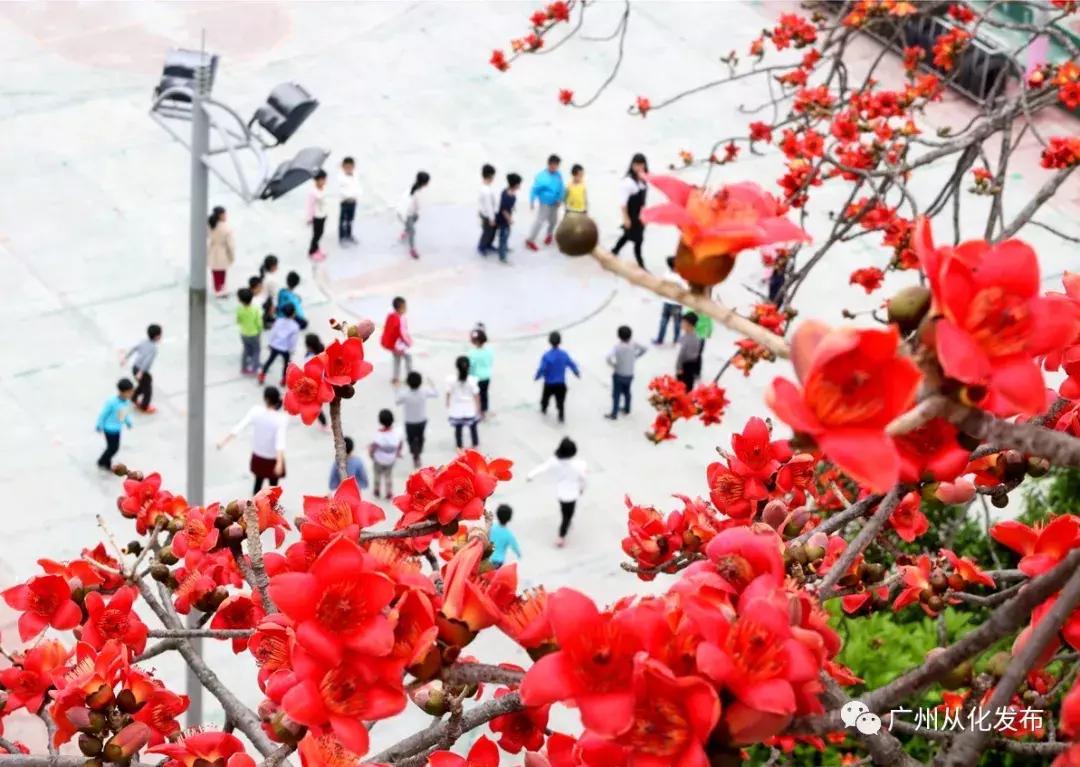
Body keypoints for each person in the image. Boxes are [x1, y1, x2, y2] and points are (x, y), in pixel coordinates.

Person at [218, 386, 288, 494]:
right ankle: (271, 508)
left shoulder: (256, 411)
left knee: (258, 482)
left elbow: (240, 426)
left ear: (266, 399)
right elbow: (280, 442)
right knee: (273, 487)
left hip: (258, 456)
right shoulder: (281, 419)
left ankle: (255, 506)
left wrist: (224, 441)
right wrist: (279, 462)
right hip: (273, 458)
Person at [527, 437, 587, 547]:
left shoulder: (554, 461)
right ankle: (561, 535)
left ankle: (566, 525)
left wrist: (530, 475)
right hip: (572, 494)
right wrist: (582, 489)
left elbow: (542, 467)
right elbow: (583, 479)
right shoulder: (579, 465)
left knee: (565, 512)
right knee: (567, 516)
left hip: (561, 493)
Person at [612, 153, 649, 269]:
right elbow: (622, 203)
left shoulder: (644, 180)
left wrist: (645, 215)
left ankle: (614, 251)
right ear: (632, 165)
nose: (639, 168)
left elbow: (643, 200)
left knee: (629, 237)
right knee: (636, 240)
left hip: (640, 215)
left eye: (641, 165)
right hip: (631, 215)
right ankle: (640, 264)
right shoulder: (628, 182)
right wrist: (626, 218)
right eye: (636, 165)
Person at [535, 331, 580, 423]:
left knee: (545, 399)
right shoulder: (564, 354)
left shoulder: (547, 356)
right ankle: (561, 414)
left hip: (549, 384)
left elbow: (542, 369)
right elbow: (571, 364)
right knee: (560, 401)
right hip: (561, 384)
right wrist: (576, 372)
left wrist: (537, 376)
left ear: (550, 341)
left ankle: (544, 409)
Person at [396, 371, 438, 469]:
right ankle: (418, 452)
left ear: (408, 383)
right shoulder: (424, 392)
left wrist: (398, 387)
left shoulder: (405, 394)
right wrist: (432, 383)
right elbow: (436, 393)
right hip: (421, 421)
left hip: (409, 422)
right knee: (420, 438)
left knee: (410, 439)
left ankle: (415, 454)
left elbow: (397, 401)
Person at [525, 154, 565, 251]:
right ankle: (530, 240)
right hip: (545, 204)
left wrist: (560, 199)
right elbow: (534, 190)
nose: (554, 167)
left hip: (555, 203)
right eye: (553, 165)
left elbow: (561, 188)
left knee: (554, 221)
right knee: (539, 221)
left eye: (556, 165)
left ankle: (549, 234)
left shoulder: (558, 175)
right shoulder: (541, 177)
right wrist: (532, 201)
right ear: (548, 164)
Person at [606, 325, 646, 420]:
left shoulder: (617, 347)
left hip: (619, 373)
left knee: (616, 394)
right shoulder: (633, 344)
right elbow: (644, 349)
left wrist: (613, 365)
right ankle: (627, 408)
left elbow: (608, 357)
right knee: (627, 392)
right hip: (629, 374)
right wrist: (636, 356)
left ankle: (614, 413)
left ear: (618, 336)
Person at [95, 378, 135, 470]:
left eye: (131, 391)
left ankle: (105, 461)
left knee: (113, 447)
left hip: (117, 429)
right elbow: (103, 414)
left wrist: (129, 423)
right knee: (113, 448)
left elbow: (124, 414)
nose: (131, 394)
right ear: (122, 392)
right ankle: (102, 461)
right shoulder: (112, 402)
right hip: (109, 429)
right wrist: (99, 425)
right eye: (129, 392)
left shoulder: (127, 402)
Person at [122, 323, 162, 414]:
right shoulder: (153, 349)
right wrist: (141, 372)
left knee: (143, 384)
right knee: (148, 390)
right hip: (142, 371)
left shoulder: (143, 341)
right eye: (160, 335)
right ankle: (144, 406)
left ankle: (134, 397)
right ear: (157, 337)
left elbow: (134, 348)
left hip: (135, 368)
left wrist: (126, 358)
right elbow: (147, 362)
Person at [259, 303, 300, 385]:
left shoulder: (278, 321)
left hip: (275, 346)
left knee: (270, 360)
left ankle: (262, 375)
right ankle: (284, 379)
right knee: (286, 364)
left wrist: (270, 343)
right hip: (286, 349)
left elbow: (273, 333)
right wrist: (292, 349)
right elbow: (293, 340)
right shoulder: (295, 326)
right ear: (294, 313)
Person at [446, 356, 481, 449]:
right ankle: (475, 445)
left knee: (458, 429)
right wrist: (478, 408)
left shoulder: (451, 379)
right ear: (469, 367)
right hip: (470, 408)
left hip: (457, 409)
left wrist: (448, 403)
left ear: (456, 366)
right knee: (473, 428)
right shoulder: (473, 380)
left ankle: (459, 447)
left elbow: (448, 393)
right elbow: (476, 395)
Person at [369, 409, 404, 499]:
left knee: (377, 475)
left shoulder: (378, 435)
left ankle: (377, 490)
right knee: (388, 475)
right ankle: (389, 492)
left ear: (380, 421)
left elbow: (373, 447)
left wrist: (371, 454)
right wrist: (398, 453)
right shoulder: (397, 433)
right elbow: (400, 444)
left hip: (379, 460)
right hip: (390, 459)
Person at [381, 296, 413, 384]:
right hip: (400, 345)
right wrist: (409, 342)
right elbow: (401, 333)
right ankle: (410, 378)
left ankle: (395, 378)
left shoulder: (392, 316)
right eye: (405, 307)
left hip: (395, 345)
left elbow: (388, 330)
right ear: (401, 307)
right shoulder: (399, 318)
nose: (406, 308)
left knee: (397, 361)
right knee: (408, 359)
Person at [399, 171, 430, 260]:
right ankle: (412, 249)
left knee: (410, 226)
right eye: (428, 181)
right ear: (424, 183)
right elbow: (416, 204)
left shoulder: (415, 188)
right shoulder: (415, 191)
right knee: (412, 231)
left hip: (413, 214)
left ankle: (405, 232)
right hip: (408, 214)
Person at [654, 256, 684, 345]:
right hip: (677, 303)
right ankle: (676, 339)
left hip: (666, 301)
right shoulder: (680, 277)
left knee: (663, 321)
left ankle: (660, 339)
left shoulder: (666, 274)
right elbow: (686, 288)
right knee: (677, 322)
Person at [207, 205, 235, 297]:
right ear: (220, 215)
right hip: (223, 252)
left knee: (215, 273)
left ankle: (217, 290)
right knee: (222, 273)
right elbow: (231, 245)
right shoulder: (226, 228)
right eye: (224, 214)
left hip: (212, 250)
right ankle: (221, 291)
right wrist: (232, 256)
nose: (226, 216)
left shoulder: (210, 224)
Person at [304, 333, 329, 429]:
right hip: (322, 381)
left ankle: (324, 424)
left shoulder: (311, 358)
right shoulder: (322, 350)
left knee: (315, 405)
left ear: (309, 346)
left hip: (314, 383)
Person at [236, 287, 262, 376]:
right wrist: (260, 330)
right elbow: (259, 322)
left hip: (243, 333)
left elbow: (238, 321)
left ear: (240, 300)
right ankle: (254, 368)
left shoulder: (239, 309)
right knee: (256, 351)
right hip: (254, 334)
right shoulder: (255, 309)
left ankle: (243, 368)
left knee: (246, 350)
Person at [675, 311, 705, 391]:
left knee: (684, 390)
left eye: (683, 322)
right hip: (685, 367)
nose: (681, 324)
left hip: (686, 368)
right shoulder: (687, 335)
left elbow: (684, 355)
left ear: (689, 325)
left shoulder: (692, 339)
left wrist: (679, 367)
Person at [496, 173, 522, 264]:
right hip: (503, 219)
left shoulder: (506, 191)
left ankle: (505, 248)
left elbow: (506, 207)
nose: (520, 186)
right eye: (519, 184)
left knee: (506, 234)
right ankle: (502, 257)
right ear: (515, 185)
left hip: (504, 218)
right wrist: (509, 219)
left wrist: (512, 209)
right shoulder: (508, 196)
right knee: (504, 236)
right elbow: (504, 210)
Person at [468, 327, 493, 418]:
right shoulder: (490, 350)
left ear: (477, 341)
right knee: (485, 394)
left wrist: (469, 376)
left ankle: (478, 412)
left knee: (476, 395)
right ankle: (484, 410)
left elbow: (471, 367)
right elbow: (490, 362)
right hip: (486, 376)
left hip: (476, 377)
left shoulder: (472, 353)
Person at [338, 156, 360, 246]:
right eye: (346, 167)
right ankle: (342, 237)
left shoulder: (355, 176)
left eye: (350, 167)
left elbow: (357, 188)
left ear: (353, 167)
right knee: (343, 221)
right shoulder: (340, 178)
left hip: (353, 202)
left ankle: (349, 234)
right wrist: (349, 195)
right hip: (344, 202)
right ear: (342, 167)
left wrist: (356, 195)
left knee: (350, 220)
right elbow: (341, 190)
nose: (348, 169)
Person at [307, 170, 328, 262]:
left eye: (325, 179)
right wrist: (309, 218)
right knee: (316, 235)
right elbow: (310, 206)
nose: (324, 181)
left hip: (323, 215)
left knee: (321, 233)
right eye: (322, 180)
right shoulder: (312, 192)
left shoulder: (323, 189)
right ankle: (311, 252)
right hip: (316, 217)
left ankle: (317, 249)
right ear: (317, 180)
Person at [477, 163, 498, 256]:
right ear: (490, 176)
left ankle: (488, 245)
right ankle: (482, 247)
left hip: (485, 213)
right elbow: (489, 206)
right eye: (493, 176)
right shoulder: (487, 191)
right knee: (487, 232)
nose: (493, 178)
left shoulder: (484, 187)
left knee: (490, 232)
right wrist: (492, 219)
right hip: (488, 215)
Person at [259, 255, 280, 329]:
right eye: (276, 265)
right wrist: (273, 306)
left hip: (262, 297)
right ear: (272, 267)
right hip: (266, 300)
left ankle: (268, 318)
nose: (278, 267)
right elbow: (274, 295)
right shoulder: (271, 279)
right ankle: (265, 322)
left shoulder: (264, 272)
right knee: (269, 308)